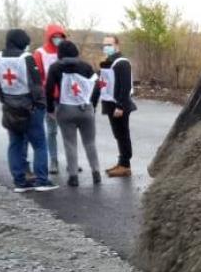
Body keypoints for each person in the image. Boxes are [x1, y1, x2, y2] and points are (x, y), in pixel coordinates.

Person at [0, 29, 57, 193]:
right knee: (39, 144)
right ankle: (42, 180)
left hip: (10, 107)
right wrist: (41, 104)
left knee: (15, 143)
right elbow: (36, 85)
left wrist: (6, 101)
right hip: (30, 107)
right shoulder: (26, 58)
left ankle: (19, 182)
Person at [44, 39, 102, 187]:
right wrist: (92, 104)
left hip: (65, 109)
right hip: (85, 108)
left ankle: (73, 176)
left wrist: (50, 108)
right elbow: (98, 85)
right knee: (90, 142)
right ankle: (96, 172)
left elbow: (49, 89)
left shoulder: (55, 67)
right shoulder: (86, 66)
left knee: (70, 143)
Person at [92, 34, 137, 178]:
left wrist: (120, 106)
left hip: (119, 105)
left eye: (109, 44)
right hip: (110, 105)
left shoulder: (122, 62)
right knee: (118, 135)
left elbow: (125, 86)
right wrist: (93, 103)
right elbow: (100, 84)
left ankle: (125, 165)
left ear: (117, 45)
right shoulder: (108, 62)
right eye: (104, 45)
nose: (107, 47)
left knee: (123, 134)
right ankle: (121, 162)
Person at [34, 24, 67, 174]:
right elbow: (37, 76)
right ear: (49, 37)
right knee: (52, 131)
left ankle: (71, 160)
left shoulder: (66, 51)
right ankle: (53, 161)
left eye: (60, 36)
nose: (58, 39)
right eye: (55, 36)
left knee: (68, 131)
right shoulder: (40, 53)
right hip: (50, 98)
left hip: (67, 97)